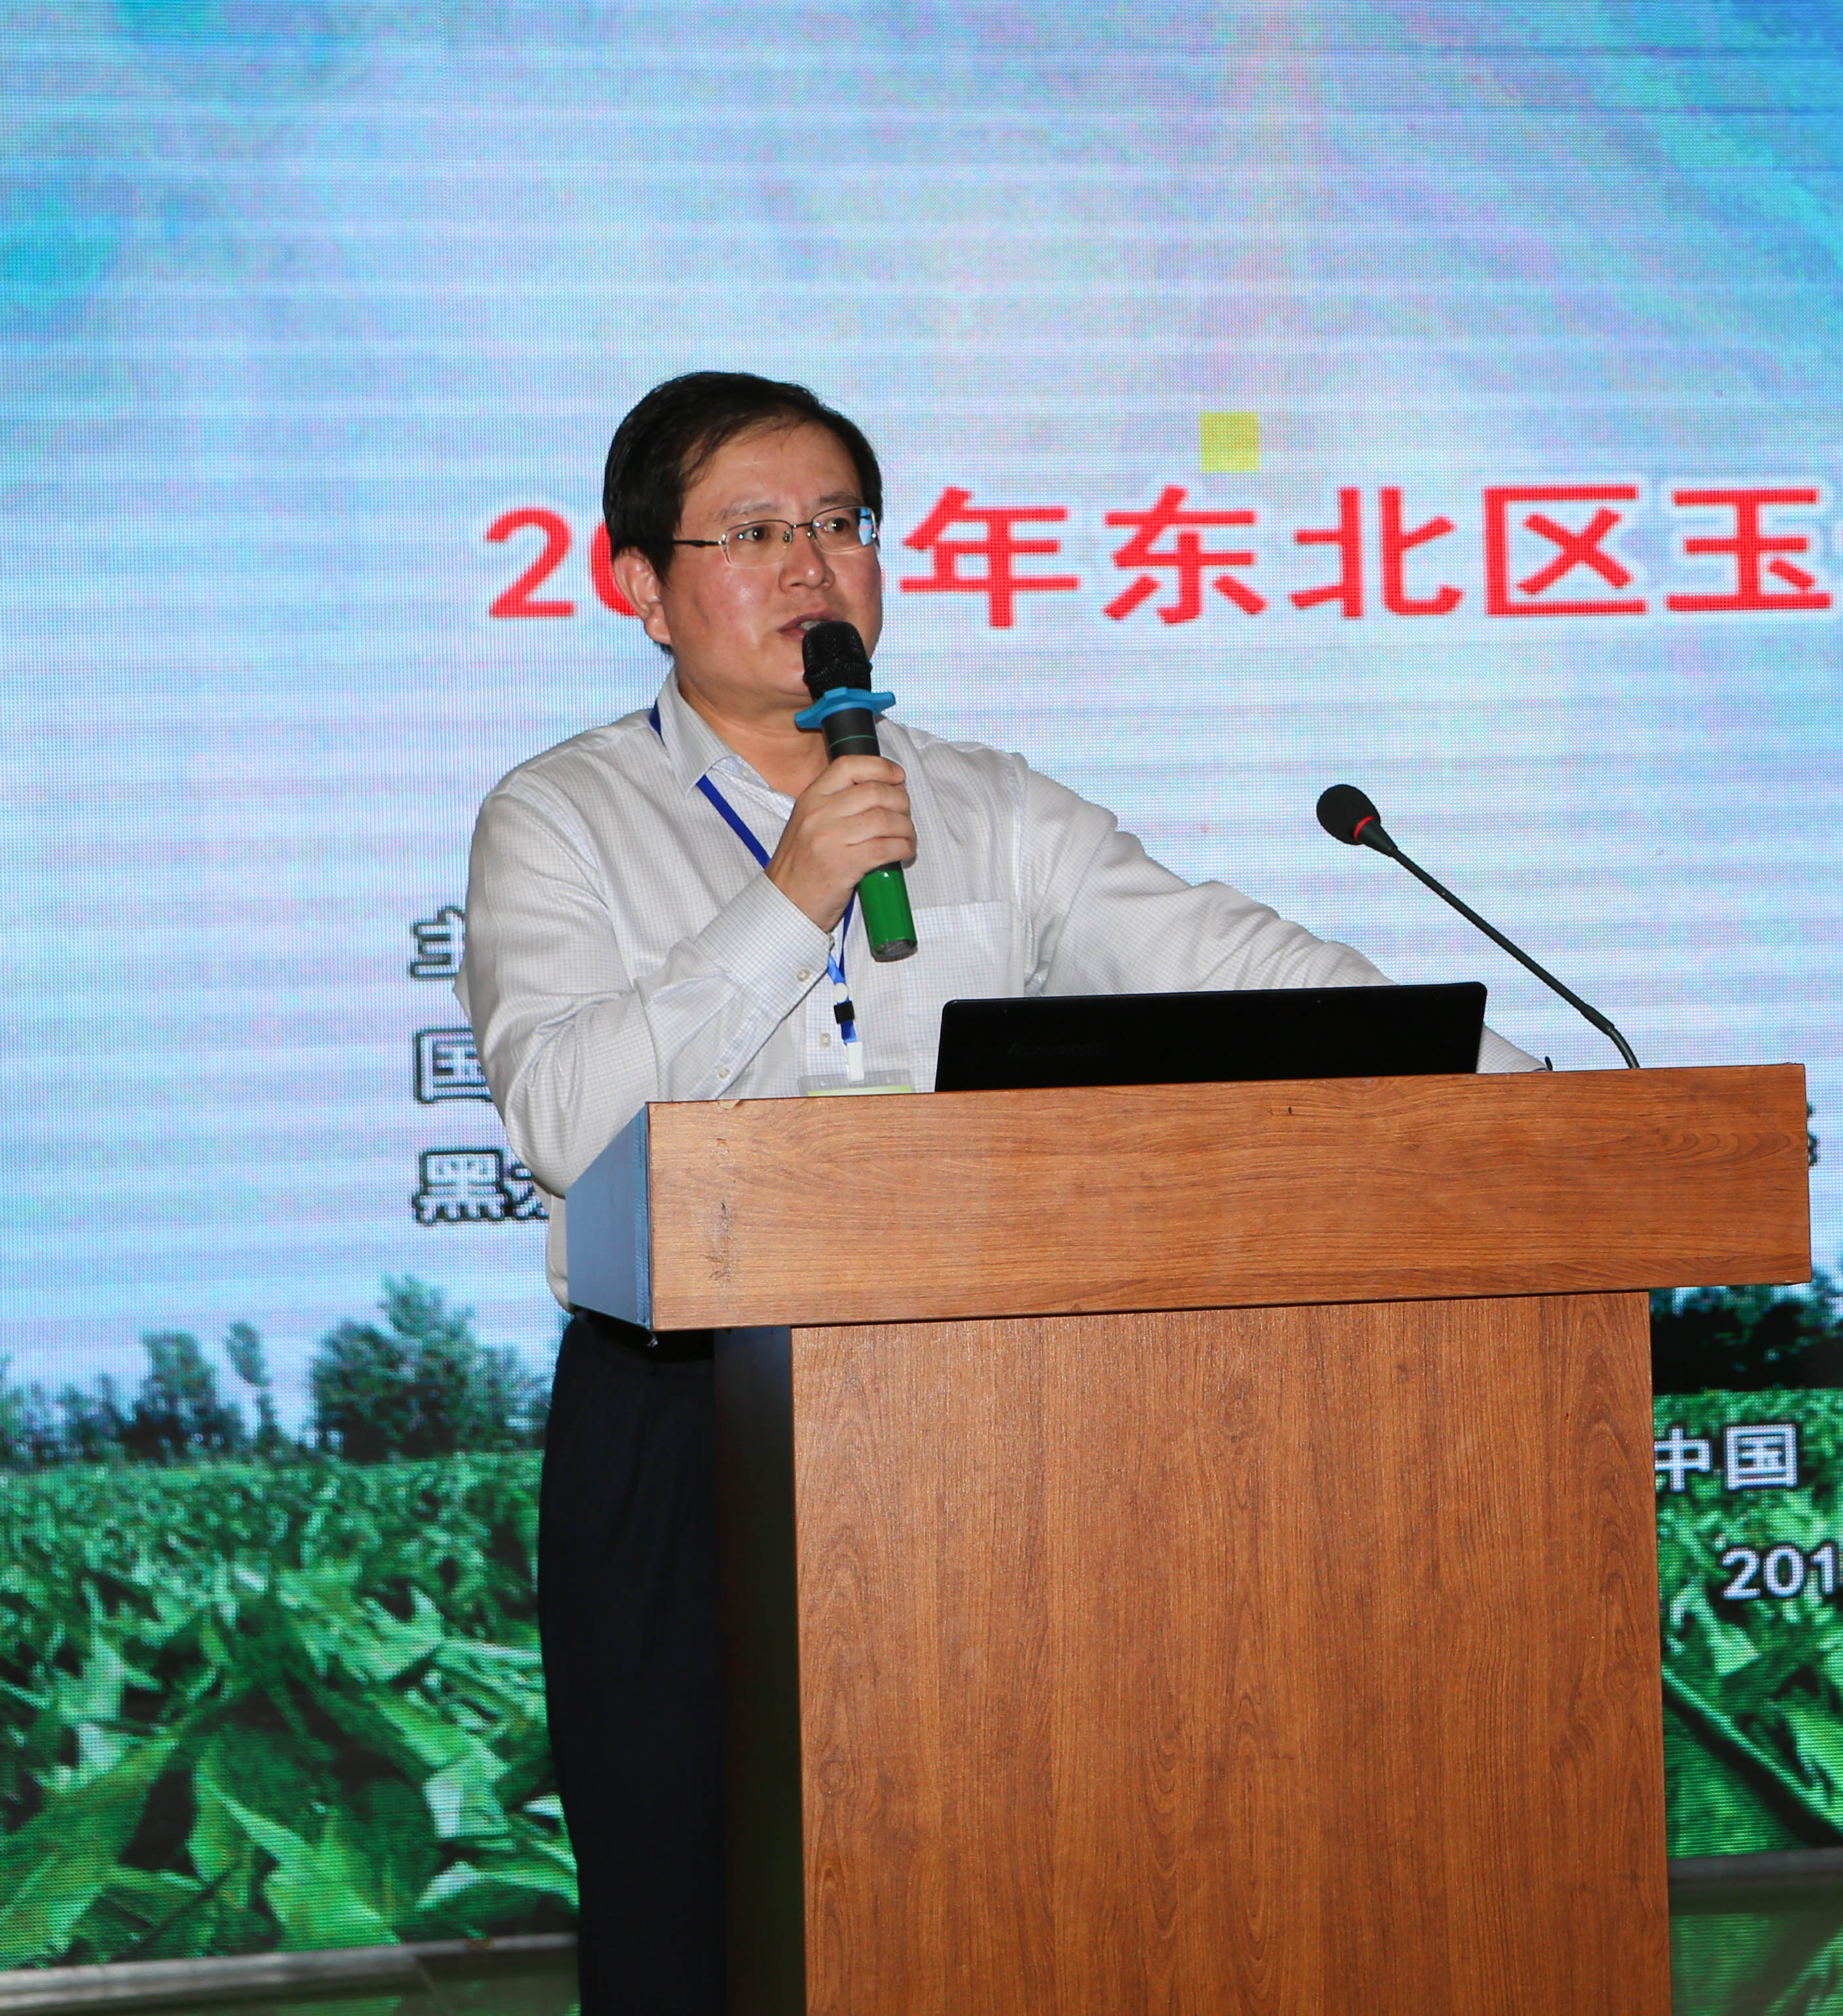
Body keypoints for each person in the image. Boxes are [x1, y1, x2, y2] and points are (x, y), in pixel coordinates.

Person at [462, 371, 1533, 2013]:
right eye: (753, 532)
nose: (812, 565)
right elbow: (561, 1117)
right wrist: (790, 893)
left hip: (988, 1428)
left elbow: (1233, 962)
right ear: (640, 586)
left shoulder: (988, 805)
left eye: (840, 522)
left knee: (998, 1891)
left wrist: (1531, 1090)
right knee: (693, 1914)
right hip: (687, 1428)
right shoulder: (558, 818)